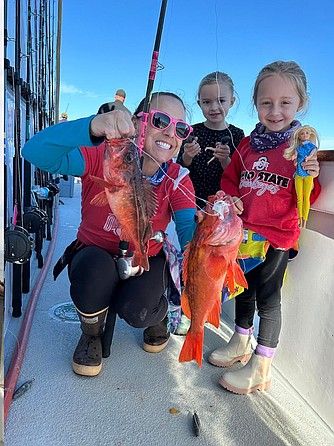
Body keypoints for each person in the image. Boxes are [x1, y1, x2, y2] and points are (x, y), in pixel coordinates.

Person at [22, 91, 197, 376]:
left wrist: (212, 237)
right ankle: (91, 333)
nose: (169, 132)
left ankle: (159, 313)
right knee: (92, 277)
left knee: (138, 310)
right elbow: (34, 151)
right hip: (95, 254)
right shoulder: (103, 156)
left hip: (145, 256)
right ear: (136, 123)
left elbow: (188, 228)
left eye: (180, 128)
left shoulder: (177, 178)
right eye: (161, 120)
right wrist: (92, 127)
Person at [213, 60, 320, 395]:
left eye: (285, 103)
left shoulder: (301, 147)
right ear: (255, 104)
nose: (275, 111)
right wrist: (230, 198)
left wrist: (310, 173)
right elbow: (229, 179)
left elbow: (309, 195)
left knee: (269, 299)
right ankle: (240, 341)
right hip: (243, 234)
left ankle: (261, 366)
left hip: (277, 238)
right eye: (266, 103)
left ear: (300, 104)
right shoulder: (246, 145)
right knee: (243, 287)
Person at [177, 71, 245, 209]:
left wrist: (225, 159)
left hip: (223, 205)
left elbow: (238, 175)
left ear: (231, 102)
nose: (214, 107)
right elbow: (180, 168)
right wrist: (187, 155)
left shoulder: (237, 134)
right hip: (192, 201)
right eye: (207, 102)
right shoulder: (191, 131)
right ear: (199, 103)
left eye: (221, 101)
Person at [284, 124, 319, 227]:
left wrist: (309, 157)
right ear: (298, 136)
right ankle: (300, 218)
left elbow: (313, 151)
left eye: (307, 133)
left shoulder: (312, 147)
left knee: (306, 197)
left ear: (310, 135)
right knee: (300, 198)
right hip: (299, 174)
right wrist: (294, 159)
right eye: (302, 133)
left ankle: (305, 220)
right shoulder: (298, 149)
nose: (304, 135)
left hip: (307, 175)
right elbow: (295, 156)